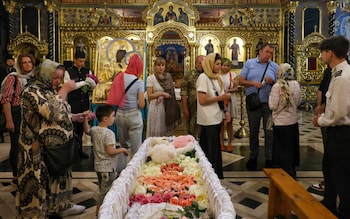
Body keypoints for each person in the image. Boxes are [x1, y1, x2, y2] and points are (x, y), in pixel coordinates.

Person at [16, 59, 87, 218]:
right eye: (54, 77)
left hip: (58, 148)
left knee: (59, 176)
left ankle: (62, 206)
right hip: (37, 149)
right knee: (39, 180)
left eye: (60, 78)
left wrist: (74, 117)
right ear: (45, 74)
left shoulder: (50, 90)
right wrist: (65, 90)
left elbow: (60, 112)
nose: (57, 81)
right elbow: (51, 112)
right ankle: (36, 212)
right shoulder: (31, 91)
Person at [312, 35, 350, 217]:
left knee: (341, 175)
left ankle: (344, 212)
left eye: (322, 52)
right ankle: (329, 204)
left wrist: (320, 120)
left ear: (330, 53)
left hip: (342, 133)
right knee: (330, 169)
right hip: (338, 132)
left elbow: (339, 113)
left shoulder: (342, 77)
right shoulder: (338, 72)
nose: (320, 56)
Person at [83, 104, 129, 216]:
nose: (114, 118)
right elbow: (110, 151)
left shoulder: (94, 129)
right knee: (106, 193)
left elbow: (86, 130)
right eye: (113, 116)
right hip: (108, 168)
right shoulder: (109, 133)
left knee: (102, 189)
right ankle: (101, 214)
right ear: (105, 118)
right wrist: (122, 149)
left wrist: (85, 120)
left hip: (98, 167)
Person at [239, 43, 278, 170]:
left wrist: (272, 82)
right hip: (254, 103)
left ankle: (269, 158)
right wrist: (253, 83)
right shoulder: (249, 64)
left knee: (269, 132)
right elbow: (241, 81)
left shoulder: (274, 66)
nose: (269, 55)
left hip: (269, 105)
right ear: (260, 51)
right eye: (267, 52)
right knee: (253, 131)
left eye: (271, 53)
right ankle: (253, 157)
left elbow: (280, 83)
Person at [107, 54, 145, 174]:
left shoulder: (119, 77)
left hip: (120, 115)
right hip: (133, 115)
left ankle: (120, 171)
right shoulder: (139, 82)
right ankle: (134, 173)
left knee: (123, 145)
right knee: (136, 148)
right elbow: (142, 104)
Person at [1, 54, 35, 183]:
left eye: (29, 62)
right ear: (19, 65)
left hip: (31, 114)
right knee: (16, 145)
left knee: (30, 144)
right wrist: (9, 120)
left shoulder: (34, 78)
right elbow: (6, 100)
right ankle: (16, 174)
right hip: (16, 113)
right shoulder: (13, 78)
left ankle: (28, 171)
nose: (27, 64)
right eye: (24, 62)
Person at [196, 53, 231, 179]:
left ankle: (215, 179)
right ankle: (211, 178)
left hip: (217, 117)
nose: (219, 66)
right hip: (208, 119)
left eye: (220, 64)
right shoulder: (203, 78)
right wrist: (221, 97)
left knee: (215, 150)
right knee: (210, 151)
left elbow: (220, 99)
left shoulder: (217, 78)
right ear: (210, 64)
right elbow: (202, 100)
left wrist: (226, 111)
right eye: (217, 64)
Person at [268, 63, 301, 178]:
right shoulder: (296, 84)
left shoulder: (277, 86)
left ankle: (283, 174)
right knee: (291, 147)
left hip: (280, 122)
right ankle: (291, 171)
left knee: (281, 149)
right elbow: (297, 103)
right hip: (292, 121)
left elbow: (272, 106)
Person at [146, 57, 180, 137]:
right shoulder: (151, 78)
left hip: (168, 106)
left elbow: (171, 92)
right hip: (156, 106)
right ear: (155, 66)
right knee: (157, 131)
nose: (161, 67)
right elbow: (149, 95)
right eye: (158, 65)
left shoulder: (168, 77)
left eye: (163, 65)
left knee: (166, 132)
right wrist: (162, 94)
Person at [67, 51, 92, 158]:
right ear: (75, 60)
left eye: (83, 61)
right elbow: (69, 86)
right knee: (73, 129)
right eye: (80, 61)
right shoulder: (68, 71)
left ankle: (80, 151)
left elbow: (89, 87)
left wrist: (91, 84)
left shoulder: (87, 71)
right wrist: (83, 83)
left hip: (84, 103)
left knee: (82, 129)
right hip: (73, 102)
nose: (82, 63)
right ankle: (72, 152)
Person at [311, 66, 331, 192]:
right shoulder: (329, 71)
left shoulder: (342, 73)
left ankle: (330, 182)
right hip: (325, 115)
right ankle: (329, 181)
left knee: (331, 152)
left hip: (333, 120)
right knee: (329, 151)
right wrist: (319, 107)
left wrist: (322, 110)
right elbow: (322, 90)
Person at [180, 55, 205, 139]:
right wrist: (185, 108)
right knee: (192, 130)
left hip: (205, 108)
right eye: (200, 63)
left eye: (204, 63)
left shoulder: (208, 76)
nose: (202, 65)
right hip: (192, 108)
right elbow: (184, 92)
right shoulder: (189, 75)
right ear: (195, 63)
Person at [219, 58, 239, 152]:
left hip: (230, 99)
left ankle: (230, 143)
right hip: (220, 99)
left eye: (227, 65)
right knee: (221, 122)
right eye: (224, 65)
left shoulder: (233, 75)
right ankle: (221, 143)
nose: (225, 67)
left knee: (230, 122)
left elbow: (236, 87)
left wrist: (228, 91)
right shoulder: (217, 75)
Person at [0, 56, 16, 142]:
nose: (10, 62)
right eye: (8, 61)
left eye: (11, 61)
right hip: (4, 92)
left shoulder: (16, 71)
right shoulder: (2, 70)